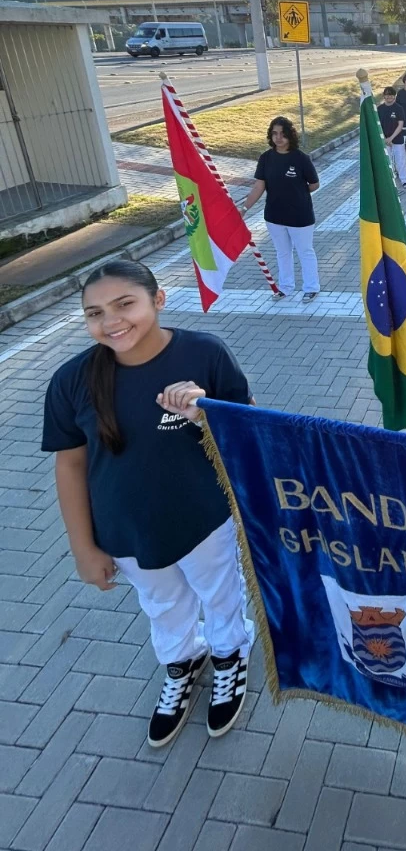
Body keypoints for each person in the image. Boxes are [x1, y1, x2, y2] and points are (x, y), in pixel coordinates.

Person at [43, 260, 256, 749]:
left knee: (220, 591)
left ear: (158, 300)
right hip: (125, 530)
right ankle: (183, 660)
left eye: (125, 304)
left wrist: (205, 413)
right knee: (161, 603)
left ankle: (229, 654)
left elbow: (246, 431)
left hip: (202, 518)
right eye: (94, 313)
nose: (111, 321)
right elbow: (71, 467)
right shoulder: (72, 380)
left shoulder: (204, 354)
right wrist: (84, 549)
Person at [245, 116, 320, 301]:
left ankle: (311, 287)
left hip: (300, 216)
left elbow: (314, 184)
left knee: (305, 251)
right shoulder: (266, 158)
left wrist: (296, 192)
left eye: (283, 134)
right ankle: (285, 287)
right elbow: (258, 186)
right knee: (282, 252)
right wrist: (244, 208)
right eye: (275, 134)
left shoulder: (301, 158)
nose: (278, 138)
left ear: (290, 135)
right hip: (274, 216)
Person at [378, 86, 406, 188]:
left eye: (391, 95)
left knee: (400, 160)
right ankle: (390, 180)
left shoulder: (398, 108)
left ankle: (404, 180)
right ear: (384, 96)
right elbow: (378, 125)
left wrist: (391, 138)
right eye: (387, 95)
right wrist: (385, 139)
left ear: (394, 96)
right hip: (384, 140)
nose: (389, 97)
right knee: (387, 161)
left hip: (397, 139)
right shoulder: (379, 109)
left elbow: (400, 125)